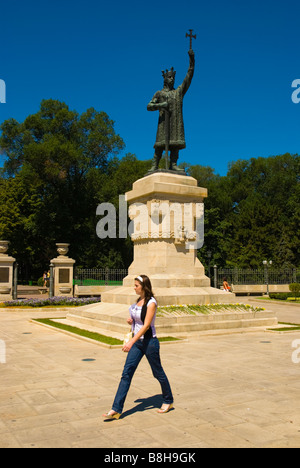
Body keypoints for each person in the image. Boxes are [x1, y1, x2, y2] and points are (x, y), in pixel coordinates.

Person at [102, 274, 174, 420]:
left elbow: (147, 325)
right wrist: (131, 322)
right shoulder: (138, 301)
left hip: (149, 343)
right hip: (138, 343)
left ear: (144, 287)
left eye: (136, 285)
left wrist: (131, 341)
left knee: (157, 372)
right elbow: (139, 322)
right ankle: (116, 408)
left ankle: (168, 400)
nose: (134, 288)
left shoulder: (151, 302)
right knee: (126, 373)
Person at [147, 49, 195, 172]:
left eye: (173, 78)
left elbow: (188, 77)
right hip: (164, 124)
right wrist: (161, 105)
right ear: (165, 79)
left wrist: (192, 61)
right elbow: (149, 106)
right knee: (159, 144)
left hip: (175, 123)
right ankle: (155, 165)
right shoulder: (160, 93)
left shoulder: (178, 92)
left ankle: (173, 164)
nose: (172, 79)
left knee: (175, 143)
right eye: (169, 77)